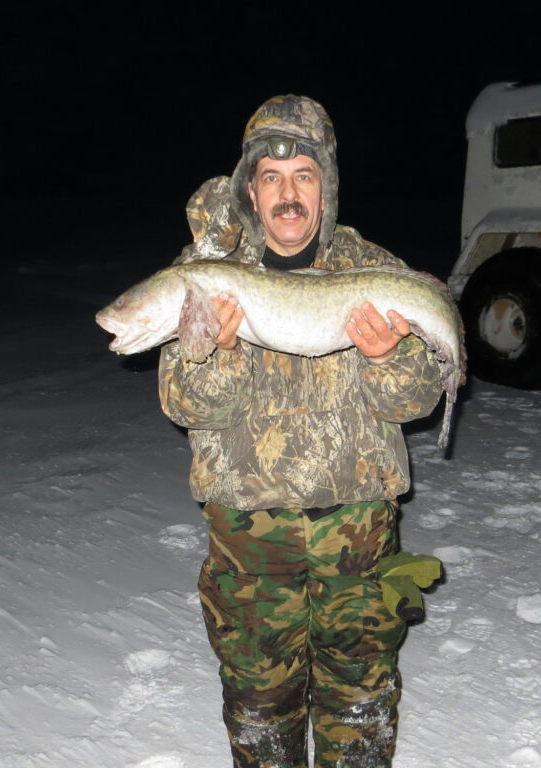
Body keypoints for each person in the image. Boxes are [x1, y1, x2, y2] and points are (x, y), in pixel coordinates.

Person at [158, 94, 445, 768]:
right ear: (251, 194)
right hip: (249, 541)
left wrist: (389, 358)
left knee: (360, 698)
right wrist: (216, 355)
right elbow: (181, 402)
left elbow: (418, 397)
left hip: (359, 534)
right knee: (260, 704)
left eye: (304, 177)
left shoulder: (372, 267)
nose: (289, 195)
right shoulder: (208, 275)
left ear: (327, 188)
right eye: (272, 178)